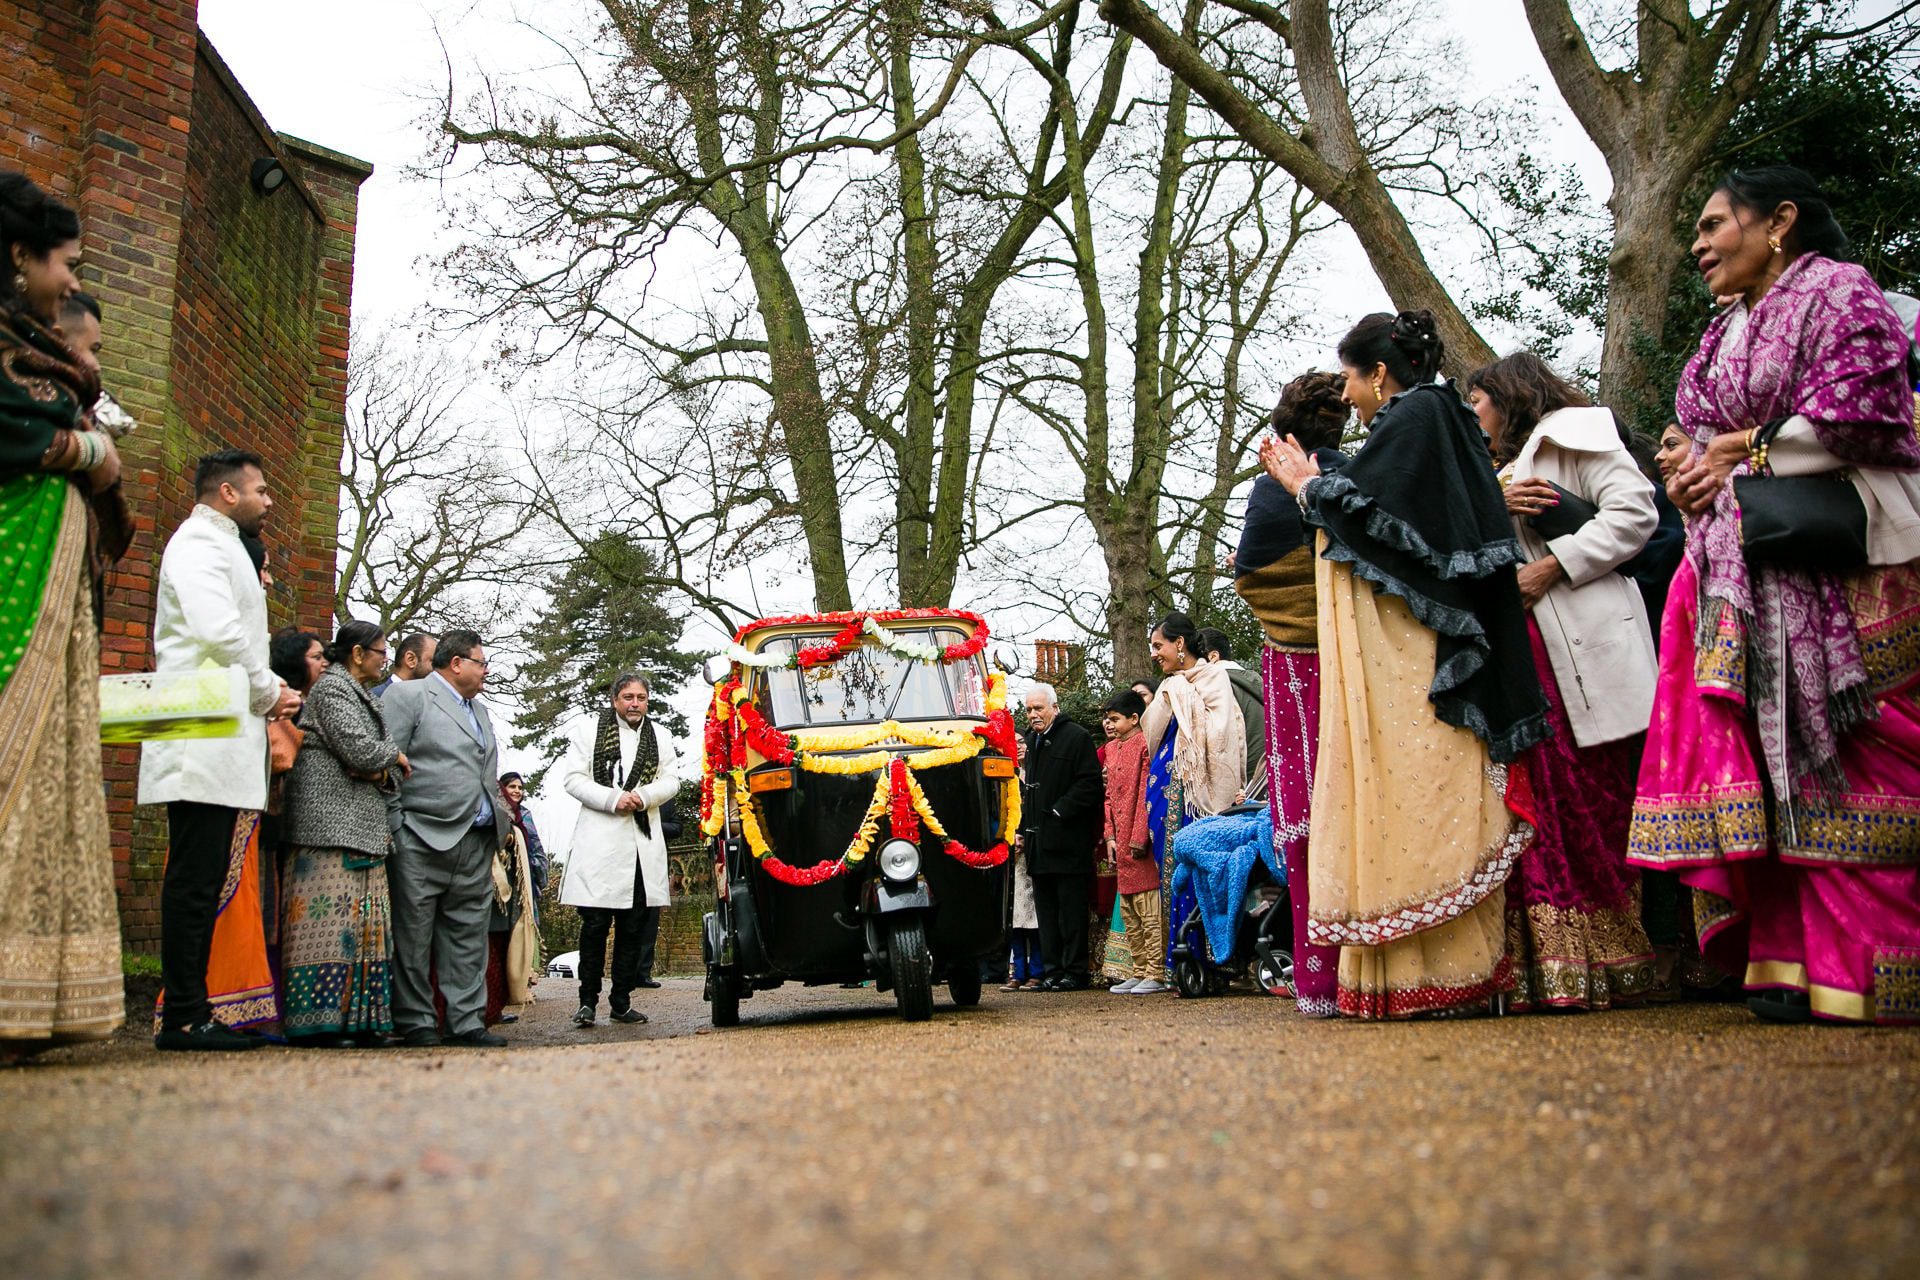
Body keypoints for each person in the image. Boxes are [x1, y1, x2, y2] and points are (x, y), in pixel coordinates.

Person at [1629, 167, 1920, 1025]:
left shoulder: (1842, 293)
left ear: (1781, 220)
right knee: (1773, 751)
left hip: (1853, 560)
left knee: (1856, 749)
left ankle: (1875, 965)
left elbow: (1870, 417)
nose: (1699, 243)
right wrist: (1687, 469)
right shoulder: (1730, 327)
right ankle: (1789, 961)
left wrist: (1741, 451)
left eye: (1717, 223)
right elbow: (1694, 430)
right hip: (1748, 566)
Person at [1262, 310, 1548, 1019]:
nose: (1351, 397)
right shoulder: (1436, 417)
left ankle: (1439, 976)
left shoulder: (1416, 415)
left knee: (1414, 791)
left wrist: (1307, 487)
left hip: (1414, 665)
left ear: (1380, 373)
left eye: (1354, 380)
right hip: (1418, 659)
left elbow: (1375, 524)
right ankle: (1425, 974)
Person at [1466, 351, 1659, 1010]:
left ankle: (1611, 959)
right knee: (1538, 804)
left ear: (1508, 395)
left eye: (1478, 403)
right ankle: (1544, 966)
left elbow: (1636, 517)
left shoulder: (1578, 435)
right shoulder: (1491, 471)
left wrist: (1555, 566)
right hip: (1523, 659)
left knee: (1596, 798)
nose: (1472, 417)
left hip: (1584, 639)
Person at [0, 173, 127, 1056]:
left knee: (52, 774)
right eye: (66, 262)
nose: (69, 280)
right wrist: (88, 450)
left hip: (52, 577)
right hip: (15, 578)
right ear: (19, 257)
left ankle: (30, 1001)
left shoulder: (28, 348)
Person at [139, 449, 301, 1049]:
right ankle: (183, 1016)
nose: (269, 499)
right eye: (261, 489)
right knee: (193, 876)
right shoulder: (200, 543)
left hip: (217, 727)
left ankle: (193, 1008)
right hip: (196, 729)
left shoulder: (221, 544)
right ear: (228, 493)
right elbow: (217, 630)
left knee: (204, 877)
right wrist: (268, 690)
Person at [1232, 371, 1351, 1016]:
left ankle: (1321, 978)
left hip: (1300, 671)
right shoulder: (1360, 474)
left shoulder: (1272, 492)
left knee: (1307, 815)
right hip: (1363, 660)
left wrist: (1292, 622)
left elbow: (1252, 575)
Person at [382, 628, 514, 1047]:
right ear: (456, 663)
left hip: (475, 840)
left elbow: (483, 771)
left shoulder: (481, 711)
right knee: (413, 936)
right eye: (481, 661)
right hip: (420, 838)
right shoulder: (408, 697)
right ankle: (417, 1022)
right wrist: (397, 827)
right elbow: (386, 765)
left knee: (468, 937)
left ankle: (466, 1022)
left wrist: (500, 823)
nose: (486, 670)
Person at [279, 620, 407, 1046]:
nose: (384, 658)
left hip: (361, 827)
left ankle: (361, 1022)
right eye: (380, 650)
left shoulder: (361, 695)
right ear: (357, 653)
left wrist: (379, 766)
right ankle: (318, 1021)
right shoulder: (333, 690)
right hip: (328, 829)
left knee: (364, 928)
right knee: (328, 927)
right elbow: (361, 750)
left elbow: (372, 762)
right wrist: (393, 756)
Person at [559, 673, 680, 1026]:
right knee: (595, 927)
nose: (635, 703)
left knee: (633, 929)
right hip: (600, 843)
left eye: (641, 697)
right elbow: (573, 779)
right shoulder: (588, 731)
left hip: (641, 844)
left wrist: (643, 796)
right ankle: (586, 1002)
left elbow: (671, 779)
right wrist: (614, 798)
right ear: (615, 700)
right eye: (628, 696)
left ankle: (621, 1001)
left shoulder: (662, 736)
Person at [1141, 612, 1246, 979]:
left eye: (1159, 645)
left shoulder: (1213, 678)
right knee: (1168, 873)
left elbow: (1223, 733)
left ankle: (1206, 962)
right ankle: (1177, 964)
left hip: (1195, 794)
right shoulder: (1171, 685)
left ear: (1179, 644)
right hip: (1163, 793)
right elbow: (1151, 733)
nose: (1154, 653)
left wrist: (1183, 697)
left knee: (1196, 868)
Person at [1019, 684, 1104, 990]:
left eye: (1038, 708)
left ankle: (1075, 972)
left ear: (1054, 707)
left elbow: (1091, 784)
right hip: (1038, 845)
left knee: (1071, 912)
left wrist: (1059, 812)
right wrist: (1022, 830)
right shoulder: (1031, 741)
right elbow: (1027, 792)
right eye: (1029, 709)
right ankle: (1052, 971)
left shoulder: (1077, 737)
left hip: (1068, 843)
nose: (1033, 715)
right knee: (1047, 913)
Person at [1100, 690, 1165, 994]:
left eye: (1114, 719)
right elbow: (1109, 796)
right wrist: (1110, 836)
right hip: (1119, 838)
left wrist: (1140, 836)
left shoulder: (1144, 745)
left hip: (1140, 839)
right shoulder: (1111, 750)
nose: (1109, 724)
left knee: (1148, 907)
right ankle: (1138, 969)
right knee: (1129, 910)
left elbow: (1145, 792)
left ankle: (1157, 971)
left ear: (1135, 718)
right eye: (1107, 719)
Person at [1194, 626, 1265, 784]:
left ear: (1213, 656)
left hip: (1239, 782)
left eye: (1195, 657)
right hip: (1265, 776)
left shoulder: (1216, 685)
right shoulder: (1258, 683)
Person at [500, 772, 549, 912]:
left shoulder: (524, 815)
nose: (517, 791)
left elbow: (536, 848)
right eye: (512, 787)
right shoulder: (493, 811)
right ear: (502, 789)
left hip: (521, 875)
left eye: (520, 788)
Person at [372, 632, 435, 696]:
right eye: (434, 662)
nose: (438, 669)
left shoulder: (428, 702)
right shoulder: (374, 698)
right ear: (410, 659)